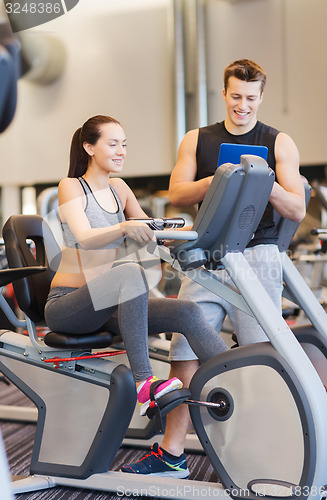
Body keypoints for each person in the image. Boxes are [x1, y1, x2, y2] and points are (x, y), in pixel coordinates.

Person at [122, 59, 306, 476]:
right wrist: (218, 179)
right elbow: (176, 192)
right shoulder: (197, 139)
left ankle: (267, 452)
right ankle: (172, 454)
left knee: (261, 356)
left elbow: (297, 205)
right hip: (205, 256)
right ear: (224, 93)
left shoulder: (279, 142)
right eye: (236, 96)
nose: (242, 105)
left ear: (262, 97)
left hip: (256, 256)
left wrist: (261, 179)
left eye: (251, 98)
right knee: (183, 352)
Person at [44, 114, 230, 424]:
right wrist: (125, 227)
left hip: (107, 305)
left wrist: (181, 234)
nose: (121, 151)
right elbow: (86, 238)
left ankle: (241, 377)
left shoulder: (120, 188)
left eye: (124, 144)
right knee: (131, 272)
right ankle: (145, 385)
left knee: (186, 311)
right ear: (89, 147)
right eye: (112, 144)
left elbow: (150, 231)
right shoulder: (72, 186)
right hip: (68, 305)